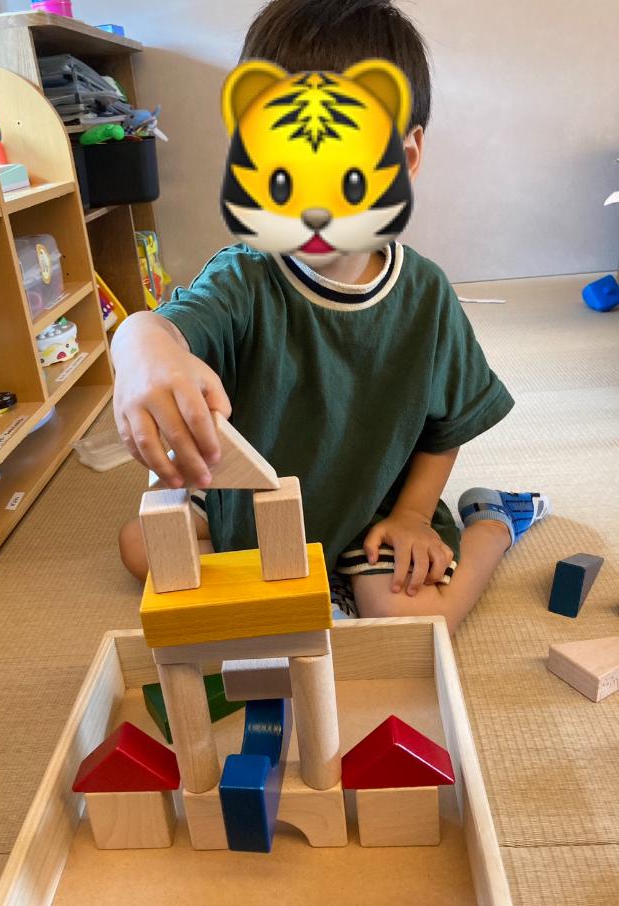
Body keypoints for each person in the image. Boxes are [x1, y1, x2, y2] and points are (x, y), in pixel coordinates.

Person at [112, 0, 549, 634]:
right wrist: (139, 344)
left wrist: (413, 516)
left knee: (410, 620)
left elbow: (445, 426)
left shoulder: (425, 294)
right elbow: (164, 327)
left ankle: (495, 522)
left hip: (375, 504)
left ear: (406, 157)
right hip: (256, 502)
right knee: (142, 546)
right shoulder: (242, 277)